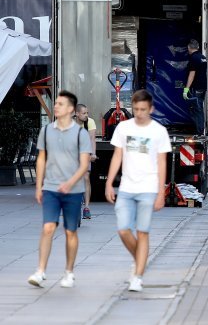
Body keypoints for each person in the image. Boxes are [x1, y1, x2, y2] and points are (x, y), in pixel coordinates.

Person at [105, 89, 171, 292]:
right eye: (136, 109)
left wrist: (161, 192)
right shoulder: (123, 127)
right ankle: (140, 259)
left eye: (143, 109)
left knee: (143, 232)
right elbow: (117, 155)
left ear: (151, 109)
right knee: (123, 230)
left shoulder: (159, 131)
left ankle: (138, 275)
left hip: (148, 188)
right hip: (126, 186)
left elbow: (162, 163)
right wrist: (109, 183)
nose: (139, 113)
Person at [28, 90, 91, 289]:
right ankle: (40, 271)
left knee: (70, 231)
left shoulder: (81, 133)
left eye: (60, 104)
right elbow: (41, 159)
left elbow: (84, 164)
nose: (55, 106)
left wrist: (71, 183)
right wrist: (39, 186)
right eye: (55, 103)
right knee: (48, 228)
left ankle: (69, 272)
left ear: (71, 109)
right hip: (51, 189)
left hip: (73, 191)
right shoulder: (46, 131)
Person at [74, 104, 97, 219]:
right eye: (84, 113)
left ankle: (86, 208)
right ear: (77, 114)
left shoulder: (90, 122)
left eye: (87, 113)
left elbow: (92, 139)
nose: (86, 115)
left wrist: (93, 153)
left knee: (86, 177)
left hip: (85, 153)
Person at [182, 39, 208, 135]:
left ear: (189, 48)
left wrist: (186, 89)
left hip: (196, 88)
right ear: (198, 47)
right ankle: (200, 130)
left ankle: (199, 131)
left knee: (196, 109)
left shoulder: (193, 58)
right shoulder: (203, 57)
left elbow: (192, 75)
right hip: (203, 87)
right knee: (199, 108)